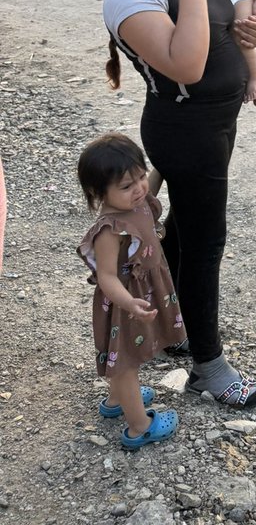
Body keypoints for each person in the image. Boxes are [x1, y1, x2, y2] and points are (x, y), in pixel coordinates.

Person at [95, 0, 256, 408]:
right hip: (184, 132)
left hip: (217, 122)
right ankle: (209, 366)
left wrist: (250, 35)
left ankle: (170, 323)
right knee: (204, 242)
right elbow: (187, 65)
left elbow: (222, 22)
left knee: (180, 234)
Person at [75, 133, 183, 449]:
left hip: (143, 294)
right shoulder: (110, 229)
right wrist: (130, 303)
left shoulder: (138, 202)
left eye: (140, 176)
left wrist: (165, 157)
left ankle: (116, 401)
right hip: (125, 302)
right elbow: (106, 277)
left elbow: (149, 185)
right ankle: (139, 426)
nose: (138, 188)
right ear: (99, 193)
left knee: (125, 356)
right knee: (125, 361)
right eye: (126, 186)